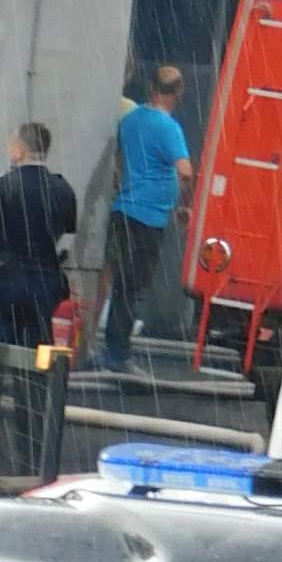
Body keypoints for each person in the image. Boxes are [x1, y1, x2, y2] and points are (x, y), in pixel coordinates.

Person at [98, 65, 193, 368]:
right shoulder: (169, 128)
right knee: (132, 287)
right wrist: (184, 205)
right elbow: (185, 172)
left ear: (151, 86)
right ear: (178, 93)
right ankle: (117, 353)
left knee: (116, 280)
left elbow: (118, 159)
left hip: (122, 211)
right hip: (148, 219)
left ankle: (105, 346)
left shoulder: (131, 120)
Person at [0, 122, 80, 348]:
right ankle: (30, 383)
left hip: (1, 280)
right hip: (45, 282)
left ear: (19, 150)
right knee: (37, 349)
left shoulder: (1, 187)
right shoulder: (63, 190)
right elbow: (66, 229)